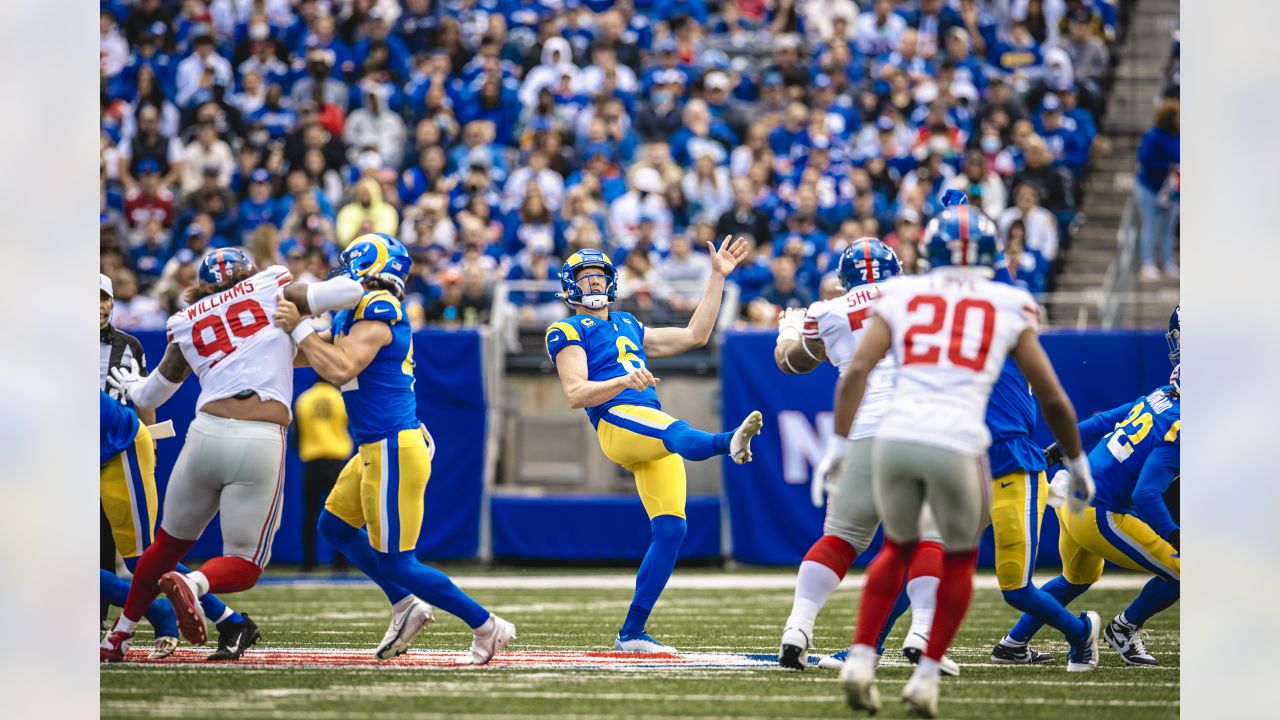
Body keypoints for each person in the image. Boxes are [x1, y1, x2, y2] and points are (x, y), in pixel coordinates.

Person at [832, 205, 1096, 716]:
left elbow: (857, 370)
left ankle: (864, 655)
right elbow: (1055, 399)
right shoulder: (1008, 303)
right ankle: (922, 670)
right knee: (946, 558)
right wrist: (1078, 463)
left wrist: (838, 447)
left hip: (912, 438)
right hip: (960, 445)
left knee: (908, 552)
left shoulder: (902, 295)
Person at [100, 248, 367, 662]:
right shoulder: (271, 287)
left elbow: (151, 394)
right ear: (250, 272)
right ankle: (197, 586)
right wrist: (307, 316)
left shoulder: (188, 320)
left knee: (163, 548)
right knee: (245, 564)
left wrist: (132, 387)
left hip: (203, 435)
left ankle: (118, 635)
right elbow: (350, 291)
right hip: (259, 435)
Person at [276, 233, 516, 665]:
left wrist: (297, 326)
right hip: (375, 445)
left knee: (397, 562)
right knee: (333, 527)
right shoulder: (352, 314)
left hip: (392, 446)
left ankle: (486, 626)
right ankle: (406, 604)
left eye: (350, 262)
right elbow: (312, 357)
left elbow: (340, 366)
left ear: (369, 266)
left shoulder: (377, 307)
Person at [544, 242, 764, 652]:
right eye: (584, 278)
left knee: (671, 529)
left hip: (646, 425)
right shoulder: (567, 329)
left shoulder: (629, 322)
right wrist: (622, 383)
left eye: (597, 276)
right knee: (673, 431)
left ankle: (631, 632)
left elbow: (696, 335)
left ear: (610, 281)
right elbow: (575, 393)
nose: (592, 283)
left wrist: (716, 276)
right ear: (569, 287)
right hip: (617, 421)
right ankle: (727, 442)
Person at [772, 238, 957, 677]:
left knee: (841, 538)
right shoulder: (925, 294)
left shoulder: (828, 311)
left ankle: (797, 628)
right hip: (919, 428)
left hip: (860, 434)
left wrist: (789, 329)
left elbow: (792, 362)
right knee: (931, 536)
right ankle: (924, 633)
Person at [998, 308, 1182, 667]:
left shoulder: (1162, 395)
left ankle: (1012, 644)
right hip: (1101, 513)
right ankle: (1124, 628)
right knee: (1183, 570)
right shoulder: (1179, 419)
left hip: (1071, 496)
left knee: (1076, 578)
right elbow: (1146, 494)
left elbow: (1099, 422)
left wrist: (1054, 452)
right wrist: (1175, 536)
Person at [293, 380, 354, 572]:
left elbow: (297, 435)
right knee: (340, 515)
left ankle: (309, 561)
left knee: (310, 514)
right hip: (336, 463)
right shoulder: (339, 398)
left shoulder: (304, 399)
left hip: (312, 462)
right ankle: (341, 562)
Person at [1135, 99, 1180, 280]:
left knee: (1168, 228)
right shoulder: (1154, 135)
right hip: (1149, 187)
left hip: (1171, 189)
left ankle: (1168, 262)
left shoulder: (1178, 136)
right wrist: (1167, 166)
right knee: (1150, 225)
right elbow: (1145, 159)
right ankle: (1147, 263)